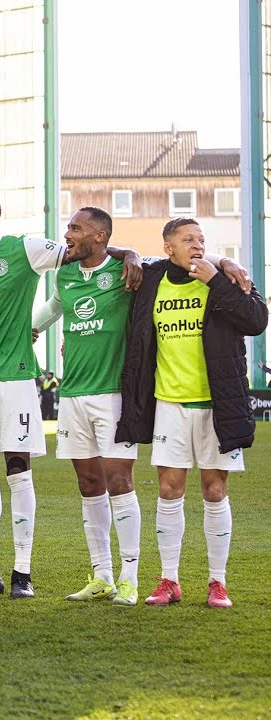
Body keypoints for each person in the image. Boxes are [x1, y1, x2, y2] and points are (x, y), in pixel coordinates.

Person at [0, 192, 141, 598]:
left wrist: (130, 252)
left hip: (17, 379)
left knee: (18, 470)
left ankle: (23, 574)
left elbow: (89, 250)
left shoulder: (27, 248)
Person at [116, 218, 267, 609]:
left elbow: (256, 320)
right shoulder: (152, 280)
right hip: (169, 403)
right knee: (169, 490)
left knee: (215, 490)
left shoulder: (222, 280)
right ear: (169, 248)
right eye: (188, 240)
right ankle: (169, 580)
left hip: (217, 404)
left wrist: (218, 274)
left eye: (202, 240)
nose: (197, 245)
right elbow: (124, 259)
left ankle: (218, 583)